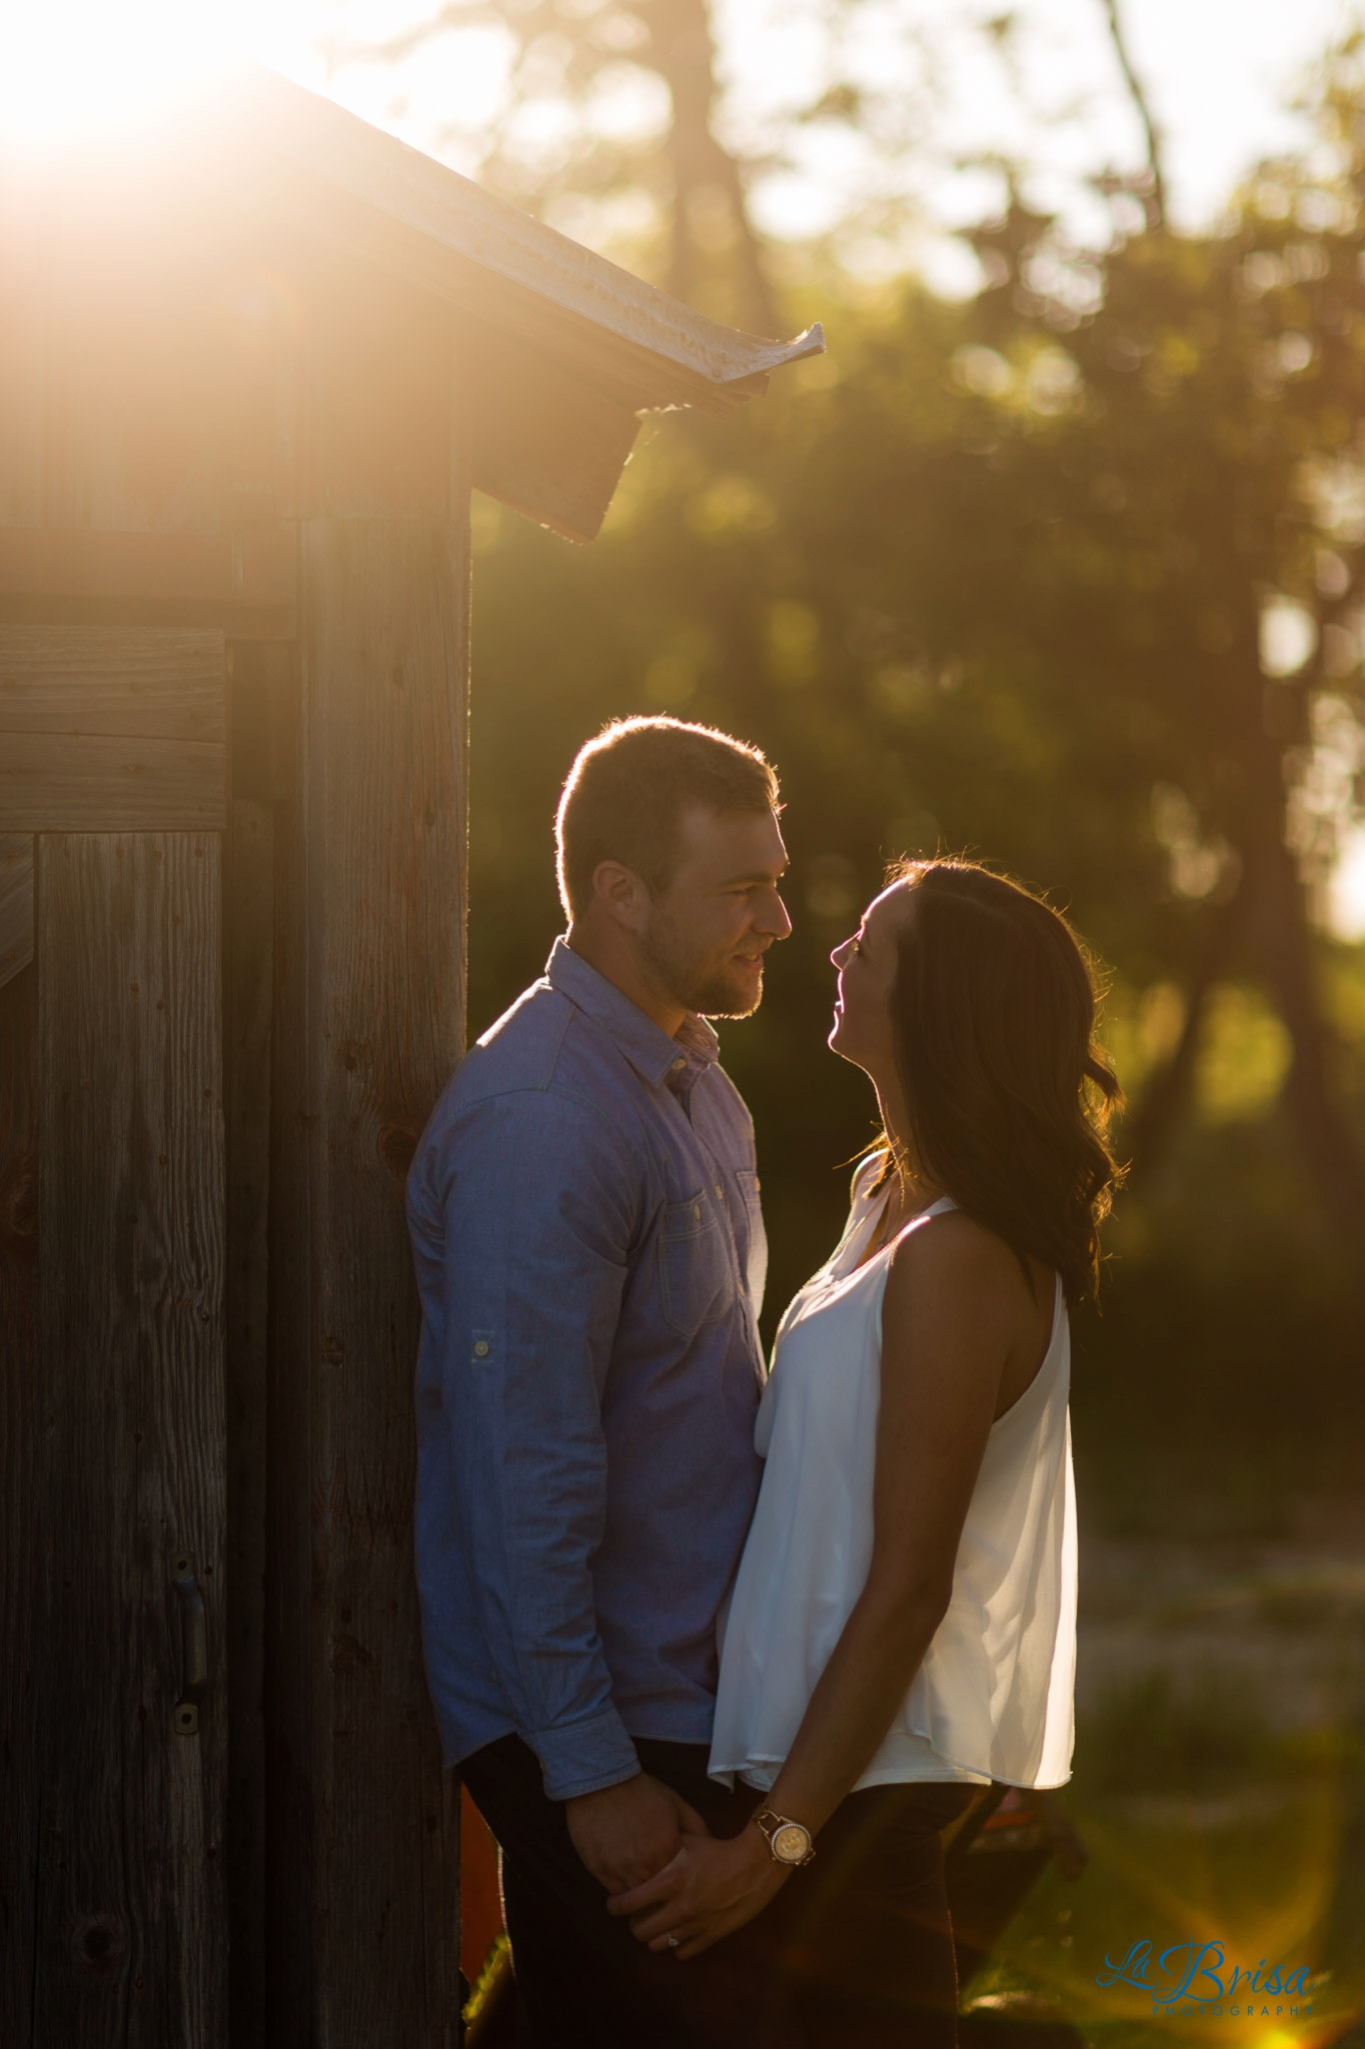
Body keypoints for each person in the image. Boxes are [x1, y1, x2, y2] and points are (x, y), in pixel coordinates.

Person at [610, 858, 1123, 2047]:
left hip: (850, 1804)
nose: (835, 955)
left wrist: (774, 1847)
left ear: (939, 1010)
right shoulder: (879, 1191)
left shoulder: (957, 1257)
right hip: (793, 1775)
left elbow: (908, 1586)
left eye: (872, 949)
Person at [407, 716, 793, 2047]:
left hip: (686, 1701)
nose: (782, 919)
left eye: (776, 879)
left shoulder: (693, 1083)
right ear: (621, 892)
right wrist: (590, 1772)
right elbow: (522, 1472)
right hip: (612, 1732)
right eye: (743, 888)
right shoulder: (546, 1122)